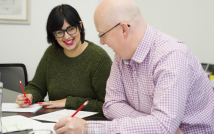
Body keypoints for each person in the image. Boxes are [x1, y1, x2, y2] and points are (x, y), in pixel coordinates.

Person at [53, 0, 214, 133]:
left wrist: (89, 128)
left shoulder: (171, 56)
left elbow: (163, 128)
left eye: (102, 34)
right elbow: (110, 105)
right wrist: (151, 124)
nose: (101, 42)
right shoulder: (121, 56)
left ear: (123, 29)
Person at [15, 4, 112, 115]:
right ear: (54, 35)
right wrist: (29, 96)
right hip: (55, 122)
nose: (66, 37)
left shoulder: (99, 58)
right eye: (59, 32)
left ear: (80, 26)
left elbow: (109, 106)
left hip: (88, 125)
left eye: (71, 29)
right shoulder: (51, 53)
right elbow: (36, 87)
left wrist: (68, 102)